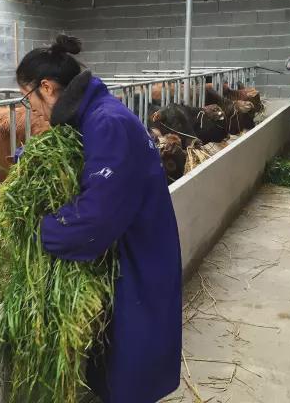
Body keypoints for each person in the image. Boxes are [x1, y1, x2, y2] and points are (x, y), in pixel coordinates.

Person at [15, 35, 182, 403]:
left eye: (28, 99)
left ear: (47, 88)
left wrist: (38, 232)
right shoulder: (94, 114)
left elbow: (96, 218)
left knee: (132, 356)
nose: (32, 110)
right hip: (136, 241)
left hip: (138, 251)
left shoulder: (106, 121)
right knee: (121, 353)